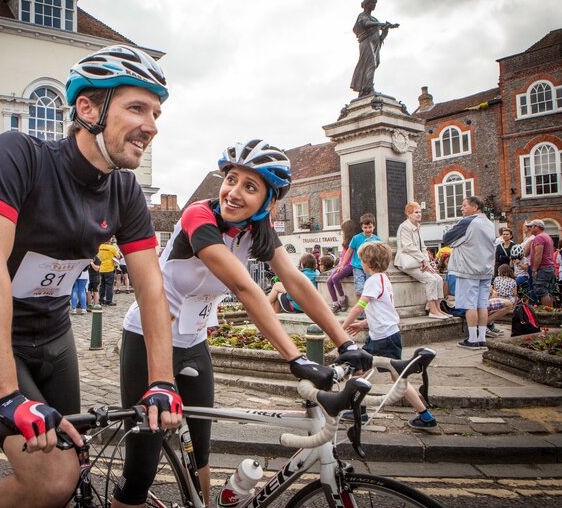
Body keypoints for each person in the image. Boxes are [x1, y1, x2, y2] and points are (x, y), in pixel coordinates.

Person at [0, 45, 182, 507]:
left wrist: (163, 380)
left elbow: (152, 287)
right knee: (51, 479)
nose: (152, 125)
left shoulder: (125, 190)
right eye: (137, 107)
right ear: (87, 108)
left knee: (75, 466)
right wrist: (8, 396)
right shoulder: (18, 154)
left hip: (53, 335)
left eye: (155, 113)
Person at [116, 139, 372, 506]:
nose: (233, 192)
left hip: (193, 341)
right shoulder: (198, 216)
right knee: (142, 467)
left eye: (249, 187)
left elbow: (296, 282)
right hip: (148, 337)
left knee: (201, 450)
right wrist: (294, 358)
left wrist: (344, 341)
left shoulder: (258, 230)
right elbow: (243, 286)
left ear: (268, 201)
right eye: (231, 179)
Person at [342, 241, 437, 430]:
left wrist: (342, 326)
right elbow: (382, 309)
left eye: (361, 260)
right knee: (384, 375)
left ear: (369, 262)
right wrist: (363, 324)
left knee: (359, 370)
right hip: (387, 334)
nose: (360, 263)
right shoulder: (384, 279)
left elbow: (361, 305)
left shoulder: (372, 281)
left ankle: (361, 410)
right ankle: (424, 415)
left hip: (383, 338)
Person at [441, 196, 495, 350]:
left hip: (468, 269)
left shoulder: (468, 221)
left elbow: (447, 238)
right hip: (485, 269)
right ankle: (482, 337)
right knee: (482, 304)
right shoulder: (489, 224)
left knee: (469, 305)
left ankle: (472, 339)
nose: (462, 208)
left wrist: (458, 243)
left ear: (475, 207)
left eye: (464, 205)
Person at [394, 202, 450, 319]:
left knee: (439, 279)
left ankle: (438, 308)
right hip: (407, 262)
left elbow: (423, 246)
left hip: (418, 262)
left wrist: (426, 261)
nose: (419, 214)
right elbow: (408, 247)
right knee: (430, 279)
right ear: (409, 214)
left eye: (420, 211)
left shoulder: (418, 226)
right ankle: (433, 310)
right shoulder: (405, 227)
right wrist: (423, 261)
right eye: (416, 212)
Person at [350, 0, 399, 97]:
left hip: (375, 45)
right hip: (366, 43)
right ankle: (368, 88)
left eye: (375, 3)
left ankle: (364, 89)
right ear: (367, 4)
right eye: (372, 3)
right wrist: (380, 24)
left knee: (375, 63)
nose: (374, 5)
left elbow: (381, 37)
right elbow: (366, 24)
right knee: (371, 63)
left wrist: (386, 29)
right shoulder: (362, 16)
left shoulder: (374, 19)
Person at [327, 220, 359, 313]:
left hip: (350, 266)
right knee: (329, 281)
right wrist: (340, 264)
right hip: (343, 265)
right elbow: (343, 256)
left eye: (343, 230)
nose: (342, 232)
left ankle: (342, 299)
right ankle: (335, 303)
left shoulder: (354, 242)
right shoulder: (345, 242)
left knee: (336, 278)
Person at [350, 213, 381, 300]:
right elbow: (349, 251)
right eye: (365, 227)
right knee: (359, 289)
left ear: (374, 226)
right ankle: (361, 311)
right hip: (358, 267)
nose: (368, 230)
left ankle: (369, 309)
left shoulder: (377, 240)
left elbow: (380, 255)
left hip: (371, 268)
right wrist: (342, 264)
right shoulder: (356, 238)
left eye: (370, 227)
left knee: (370, 288)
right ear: (362, 227)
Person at [526, 219, 555, 307]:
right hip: (548, 267)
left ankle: (548, 312)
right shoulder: (547, 236)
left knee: (542, 291)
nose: (529, 229)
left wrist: (534, 269)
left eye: (531, 227)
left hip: (542, 268)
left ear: (536, 227)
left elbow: (538, 254)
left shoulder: (539, 237)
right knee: (546, 291)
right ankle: (551, 310)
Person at [97, 239, 120, 306]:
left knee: (102, 285)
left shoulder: (100, 246)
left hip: (101, 268)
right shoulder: (111, 247)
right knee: (109, 286)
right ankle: (109, 301)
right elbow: (118, 256)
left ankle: (101, 299)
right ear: (109, 241)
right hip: (109, 268)